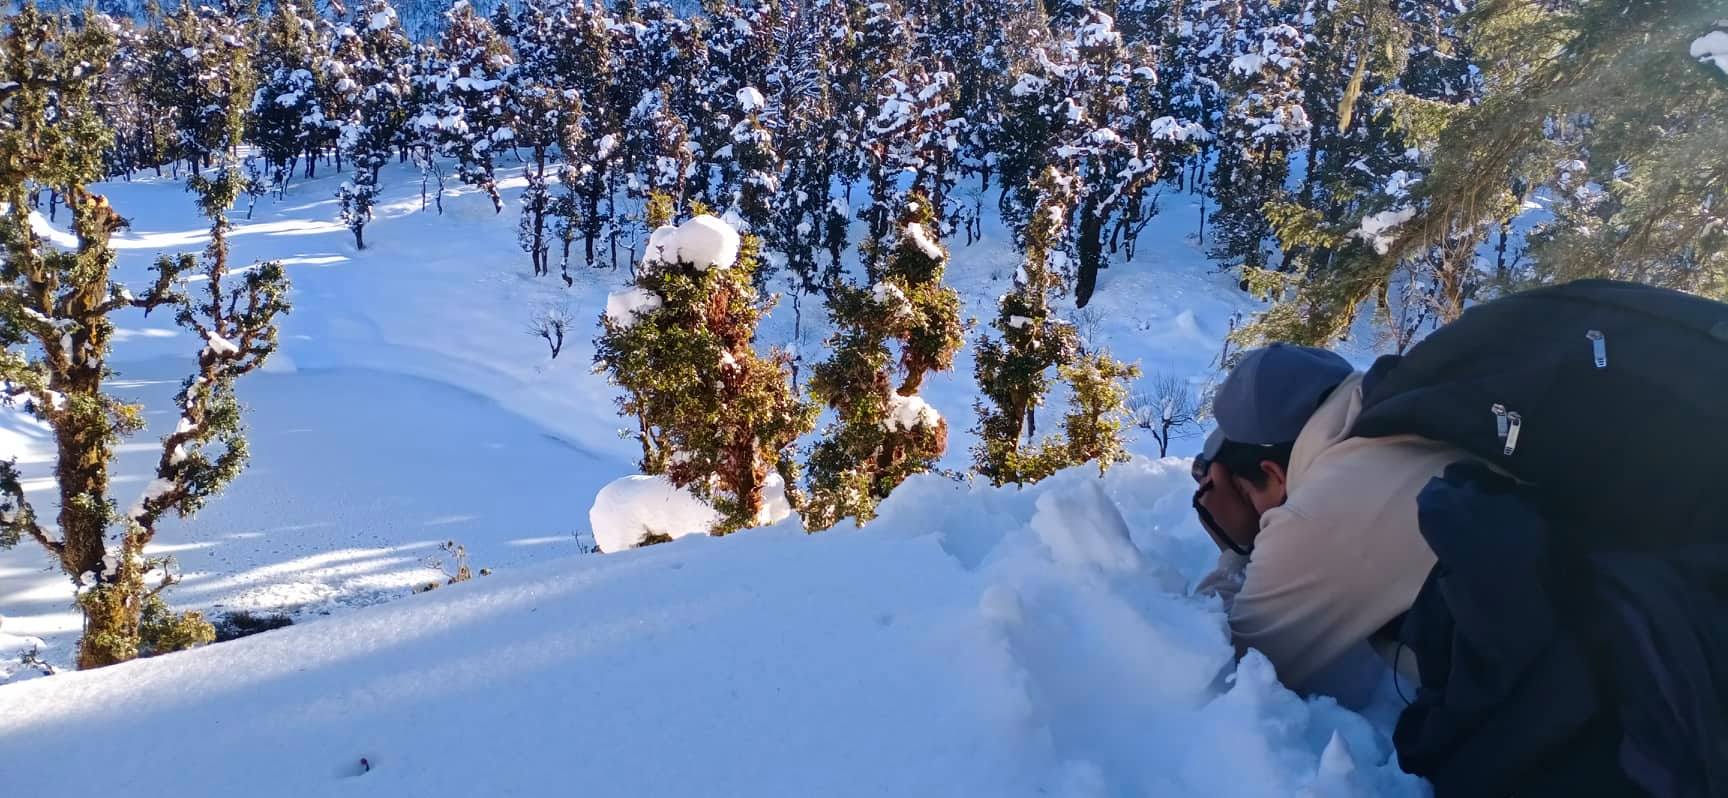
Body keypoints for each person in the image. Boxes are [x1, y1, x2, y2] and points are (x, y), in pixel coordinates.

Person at [1190, 343, 1469, 707]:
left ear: (1271, 472)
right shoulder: (1398, 416)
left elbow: (1217, 674)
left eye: (1245, 493)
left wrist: (1235, 551)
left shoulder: (1324, 508)